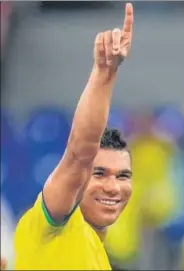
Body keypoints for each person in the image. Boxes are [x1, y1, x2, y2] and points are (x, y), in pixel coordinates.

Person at [13, 3, 134, 270]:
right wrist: (104, 74)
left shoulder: (96, 252)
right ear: (77, 182)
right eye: (99, 173)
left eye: (122, 175)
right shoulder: (52, 225)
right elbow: (80, 155)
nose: (113, 187)